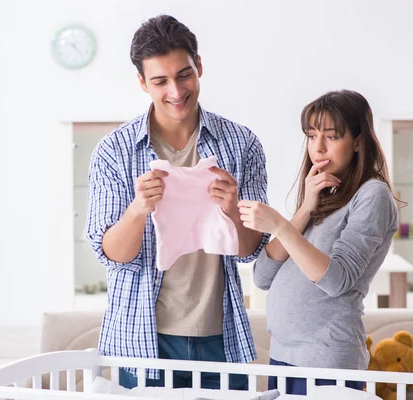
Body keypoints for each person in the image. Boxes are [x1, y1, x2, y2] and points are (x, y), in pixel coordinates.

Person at [86, 15, 269, 390]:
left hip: (221, 335)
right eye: (160, 81)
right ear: (142, 83)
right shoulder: (114, 152)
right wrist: (138, 210)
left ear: (199, 67)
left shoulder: (241, 145)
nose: (175, 90)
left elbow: (250, 251)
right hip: (142, 337)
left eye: (184, 75)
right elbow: (111, 253)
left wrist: (233, 210)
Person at [238, 90, 400, 395]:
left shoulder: (372, 195)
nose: (318, 148)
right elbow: (262, 276)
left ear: (358, 141)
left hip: (326, 361)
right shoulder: (322, 194)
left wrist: (279, 226)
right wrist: (303, 210)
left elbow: (336, 279)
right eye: (311, 136)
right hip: (284, 357)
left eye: (330, 136)